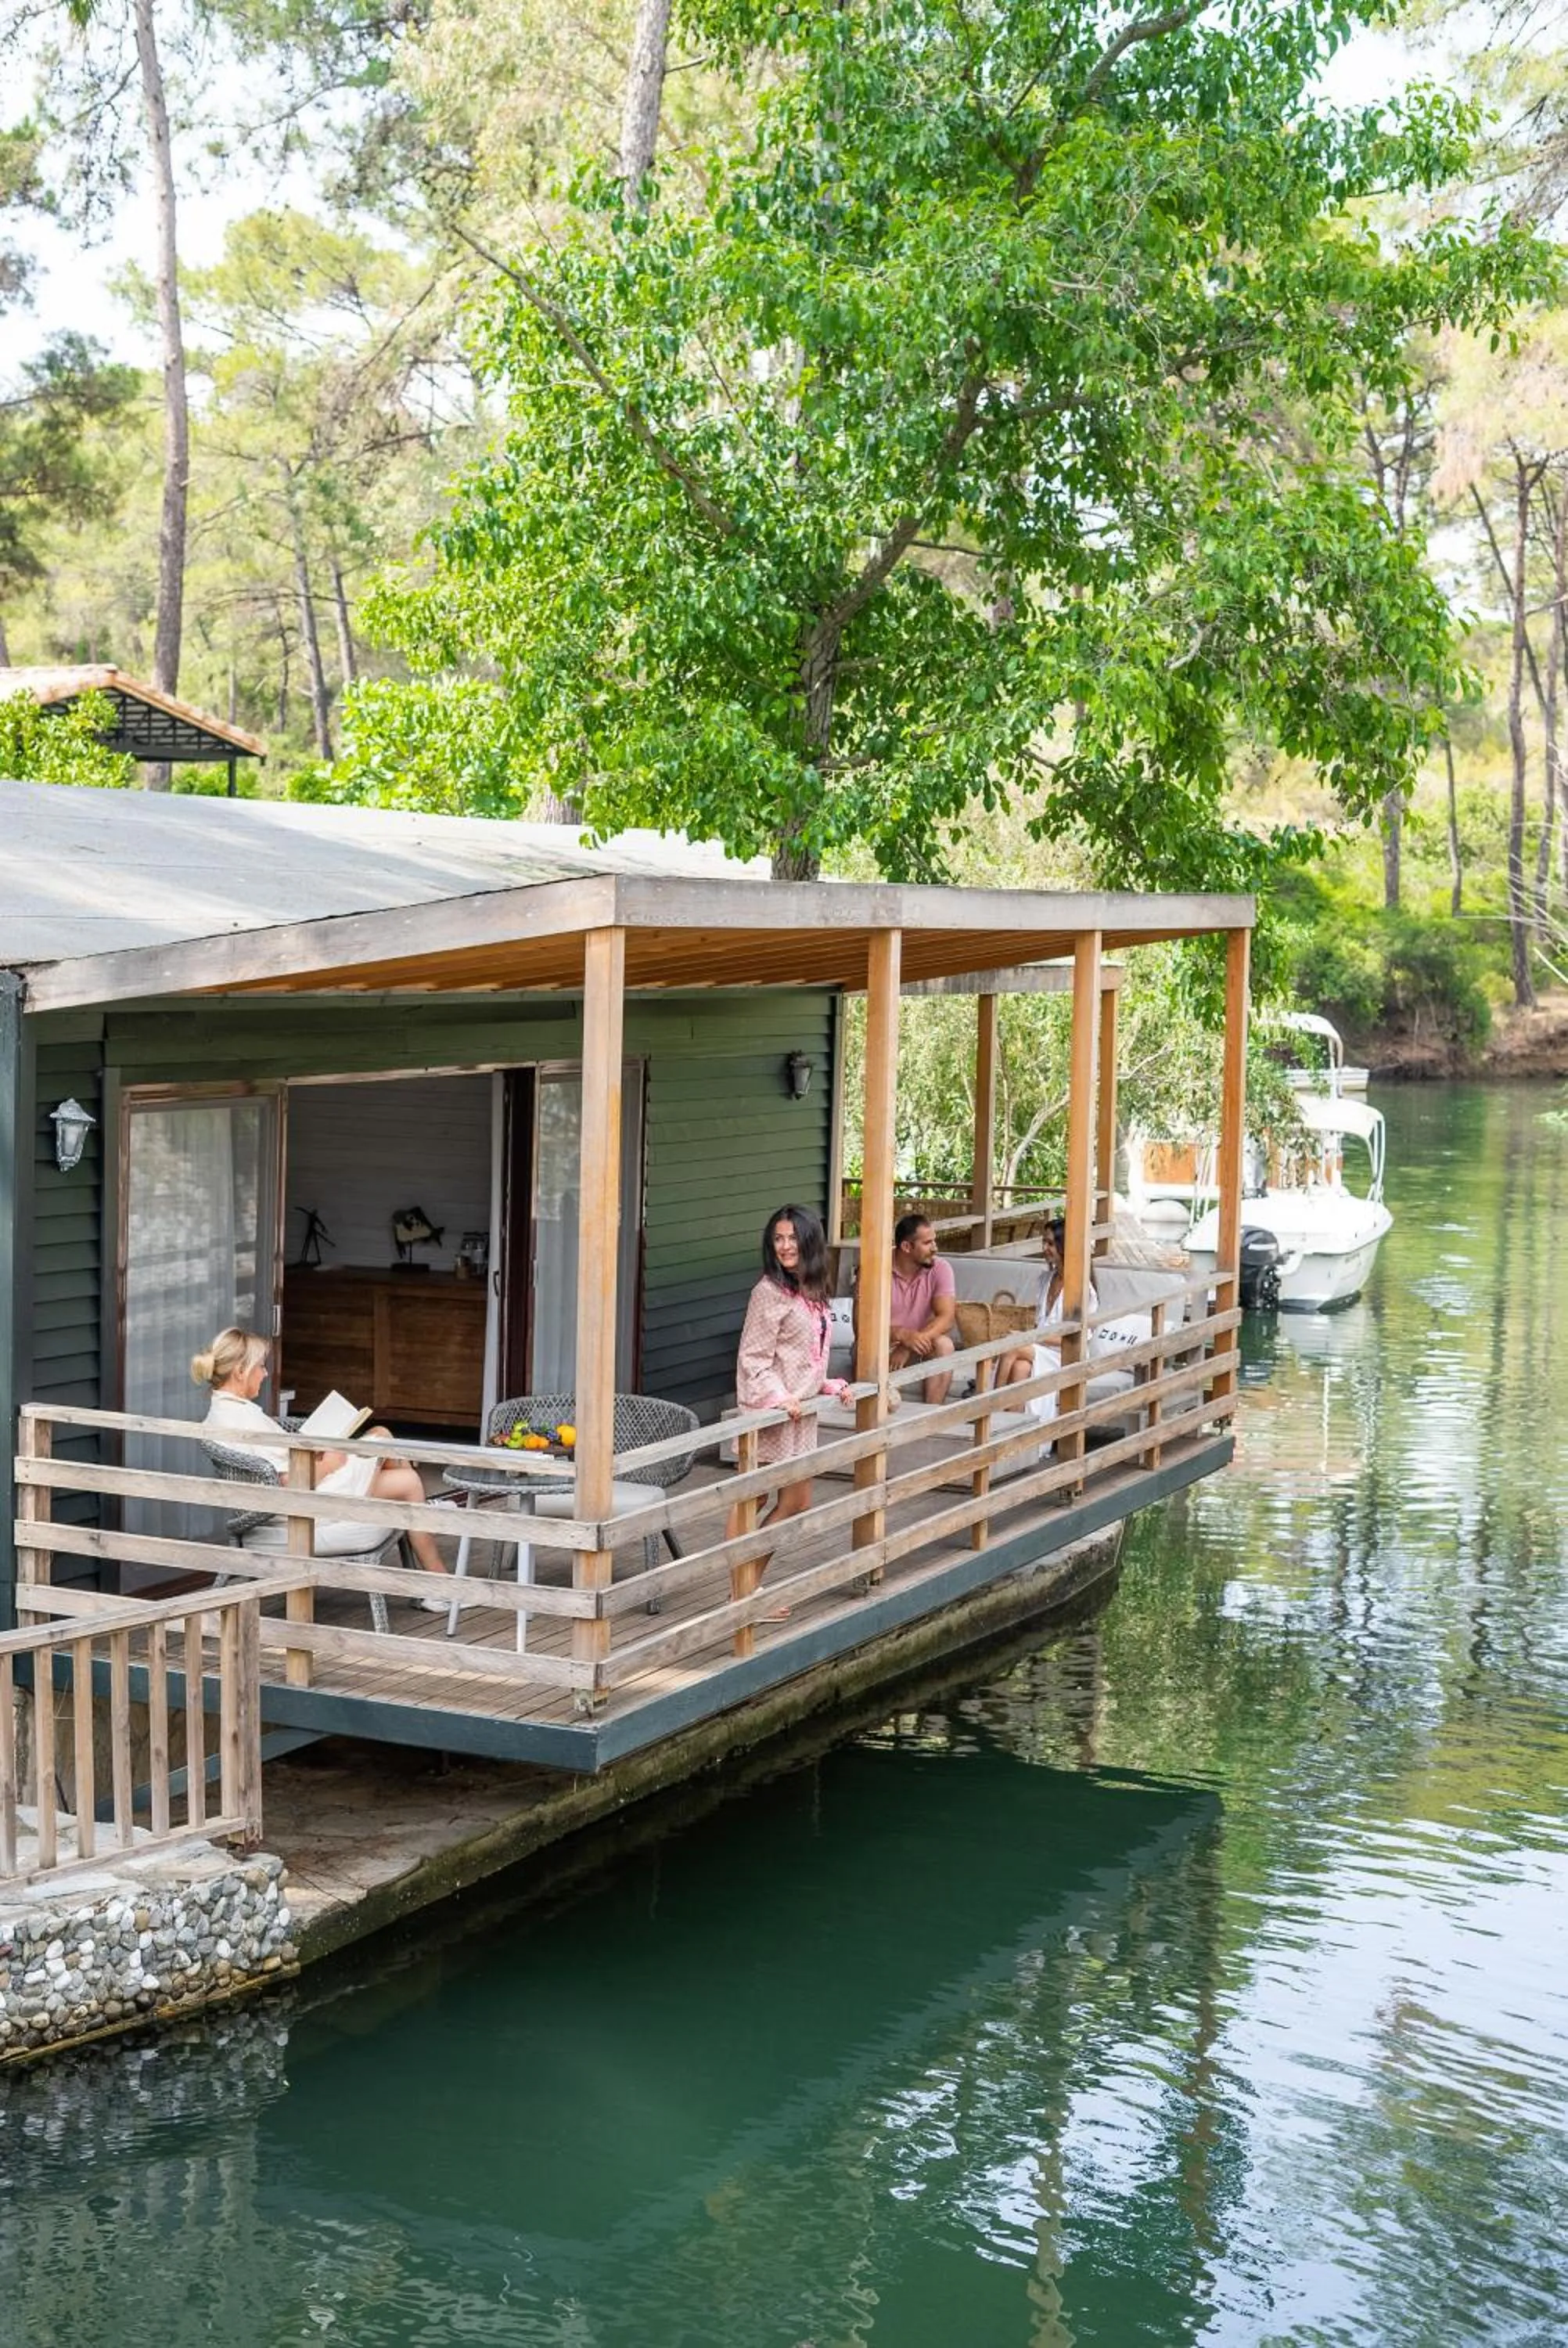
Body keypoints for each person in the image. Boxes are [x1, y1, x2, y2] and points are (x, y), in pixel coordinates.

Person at [192, 1327, 453, 1604]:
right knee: (393, 1458)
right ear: (240, 1372)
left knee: (389, 1451)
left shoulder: (228, 1411)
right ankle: (439, 1584)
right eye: (261, 1366)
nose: (265, 1374)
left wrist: (315, 1450)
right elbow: (285, 1482)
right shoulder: (242, 1420)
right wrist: (328, 1463)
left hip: (304, 1491)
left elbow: (275, 1464)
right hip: (303, 1507)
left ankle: (437, 1586)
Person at [725, 1206, 850, 1608]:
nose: (784, 1246)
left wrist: (824, 1384)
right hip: (772, 1412)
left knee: (798, 1502)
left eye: (793, 1238)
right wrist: (780, 1396)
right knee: (753, 1502)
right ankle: (742, 1596)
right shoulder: (768, 1292)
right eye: (778, 1239)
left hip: (801, 1413)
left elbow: (804, 1351)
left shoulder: (812, 1291)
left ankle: (748, 1590)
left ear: (810, 1241)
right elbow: (753, 1359)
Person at [997, 1215, 1098, 1418]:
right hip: (1041, 1348)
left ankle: (990, 1407)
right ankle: (1011, 1429)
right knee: (1020, 1367)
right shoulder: (1046, 1280)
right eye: (1044, 1242)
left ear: (1065, 1246)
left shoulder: (1080, 1288)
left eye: (1051, 1243)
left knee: (1012, 1345)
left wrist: (1030, 1338)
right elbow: (1040, 1322)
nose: (1045, 1247)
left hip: (1066, 1354)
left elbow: (1076, 1339)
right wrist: (1032, 1337)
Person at [859, 1212, 957, 1403]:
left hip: (919, 1343)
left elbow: (947, 1318)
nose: (935, 1248)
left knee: (944, 1345)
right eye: (927, 1243)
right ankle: (878, 1420)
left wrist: (908, 1346)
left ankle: (930, 1418)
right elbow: (861, 1327)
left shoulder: (940, 1268)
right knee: (869, 1351)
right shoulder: (875, 1269)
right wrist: (902, 1335)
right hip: (880, 1343)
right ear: (906, 1246)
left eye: (934, 1241)